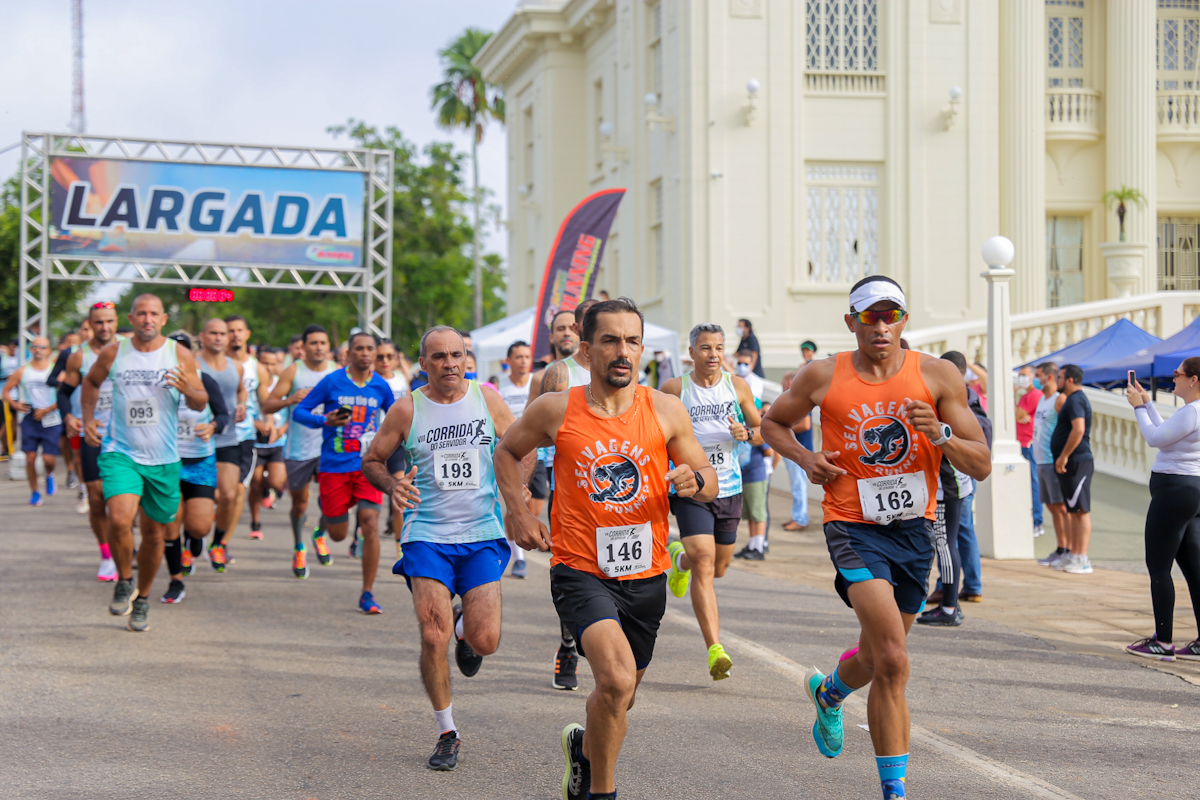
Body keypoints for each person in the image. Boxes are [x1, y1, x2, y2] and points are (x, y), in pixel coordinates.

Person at [761, 276, 990, 800]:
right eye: (870, 316)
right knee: (893, 657)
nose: (881, 326)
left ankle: (830, 692)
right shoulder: (823, 375)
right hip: (852, 525)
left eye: (891, 316)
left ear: (904, 321)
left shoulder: (938, 376)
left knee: (877, 653)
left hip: (916, 529)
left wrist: (942, 434)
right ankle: (895, 793)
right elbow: (774, 425)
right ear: (851, 322)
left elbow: (980, 463)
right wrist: (805, 458)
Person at [494, 298, 718, 800]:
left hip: (646, 573)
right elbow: (506, 451)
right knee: (615, 681)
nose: (623, 351)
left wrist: (693, 477)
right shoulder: (557, 408)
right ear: (587, 347)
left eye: (632, 341)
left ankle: (583, 753)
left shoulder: (665, 409)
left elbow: (710, 479)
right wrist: (517, 510)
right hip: (580, 568)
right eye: (611, 340)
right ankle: (603, 793)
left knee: (620, 696)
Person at [363, 326, 516, 772]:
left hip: (481, 532)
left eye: (457, 355)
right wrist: (391, 483)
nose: (450, 363)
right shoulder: (408, 408)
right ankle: (447, 731)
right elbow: (372, 460)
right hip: (426, 533)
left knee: (485, 641)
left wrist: (518, 495)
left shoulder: (487, 400)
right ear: (423, 363)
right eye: (439, 356)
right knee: (434, 634)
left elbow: (518, 446)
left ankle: (467, 631)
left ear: (467, 359)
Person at [81, 293, 208, 632]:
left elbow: (200, 401)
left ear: (163, 319)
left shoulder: (178, 354)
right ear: (132, 318)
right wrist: (88, 417)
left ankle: (142, 598)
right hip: (120, 451)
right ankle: (124, 579)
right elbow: (91, 381)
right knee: (120, 519)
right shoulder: (115, 351)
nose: (147, 319)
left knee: (154, 534)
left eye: (153, 314)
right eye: (141, 314)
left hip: (164, 458)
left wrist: (188, 390)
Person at [659, 323, 761, 680]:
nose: (713, 354)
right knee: (706, 563)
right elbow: (656, 435)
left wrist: (747, 433)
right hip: (693, 489)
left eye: (719, 348)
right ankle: (714, 649)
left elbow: (763, 429)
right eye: (705, 348)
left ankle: (679, 560)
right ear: (692, 352)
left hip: (730, 490)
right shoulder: (675, 390)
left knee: (717, 567)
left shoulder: (738, 387)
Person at [524, 300, 597, 690]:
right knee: (571, 566)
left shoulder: (623, 370)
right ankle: (568, 644)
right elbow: (530, 434)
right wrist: (523, 482)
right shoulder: (558, 374)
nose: (572, 331)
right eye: (572, 325)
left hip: (612, 489)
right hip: (565, 484)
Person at [293, 331, 394, 613]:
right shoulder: (332, 381)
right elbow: (300, 412)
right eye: (358, 349)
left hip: (368, 465)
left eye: (369, 349)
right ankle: (322, 529)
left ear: (375, 354)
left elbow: (398, 418)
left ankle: (368, 593)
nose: (364, 353)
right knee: (337, 534)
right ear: (348, 353)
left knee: (369, 522)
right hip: (334, 465)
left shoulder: (381, 386)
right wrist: (325, 420)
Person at [1124, 360, 1200, 661]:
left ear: (1193, 379)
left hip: (1174, 492)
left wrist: (1138, 408)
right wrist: (1148, 404)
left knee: (1158, 567)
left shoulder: (1192, 411)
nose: (1173, 378)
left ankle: (1163, 641)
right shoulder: (1192, 412)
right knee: (1194, 570)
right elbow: (1168, 431)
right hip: (1190, 491)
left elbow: (1155, 438)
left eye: (1177, 374)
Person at [160, 331, 232, 604]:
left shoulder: (204, 381)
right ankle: (175, 581)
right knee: (169, 525)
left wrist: (213, 426)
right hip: (167, 461)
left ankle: (195, 540)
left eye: (183, 352)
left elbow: (223, 414)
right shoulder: (157, 382)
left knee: (199, 527)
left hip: (200, 461)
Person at [263, 324, 337, 578]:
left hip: (330, 449)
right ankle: (298, 545)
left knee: (333, 503)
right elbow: (268, 405)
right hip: (299, 450)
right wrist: (289, 400)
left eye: (323, 343)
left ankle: (319, 534)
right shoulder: (292, 372)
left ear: (328, 348)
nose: (318, 347)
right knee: (300, 503)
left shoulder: (337, 373)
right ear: (303, 347)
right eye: (313, 343)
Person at [57, 302, 120, 580]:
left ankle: (125, 544)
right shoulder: (78, 357)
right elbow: (63, 392)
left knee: (125, 501)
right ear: (90, 324)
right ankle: (107, 555)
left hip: (127, 437)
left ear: (117, 322)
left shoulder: (129, 352)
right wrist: (69, 416)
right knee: (96, 497)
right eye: (98, 322)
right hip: (92, 434)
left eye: (109, 321)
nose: (104, 327)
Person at [196, 318, 247, 572]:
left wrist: (242, 404)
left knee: (229, 494)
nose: (218, 338)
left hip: (227, 437)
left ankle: (217, 544)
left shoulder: (236, 366)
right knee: (192, 497)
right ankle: (191, 541)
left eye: (222, 334)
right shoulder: (192, 364)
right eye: (213, 333)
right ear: (202, 337)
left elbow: (241, 391)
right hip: (196, 439)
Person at [3, 336, 63, 505]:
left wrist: (48, 409)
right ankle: (35, 491)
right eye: (35, 346)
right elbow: (6, 391)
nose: (38, 350)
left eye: (42, 347)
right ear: (30, 350)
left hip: (51, 418)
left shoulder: (55, 371)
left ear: (49, 351)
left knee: (48, 459)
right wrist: (15, 405)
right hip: (30, 417)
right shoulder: (23, 371)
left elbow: (66, 395)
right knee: (30, 458)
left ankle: (49, 475)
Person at [1050, 364, 1094, 575]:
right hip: (1071, 462)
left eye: (1059, 377)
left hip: (1077, 461)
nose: (1056, 381)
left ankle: (1082, 557)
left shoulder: (1076, 399)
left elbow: (1079, 429)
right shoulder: (1071, 400)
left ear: (1069, 380)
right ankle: (1074, 554)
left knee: (1081, 509)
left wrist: (1064, 456)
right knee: (1073, 509)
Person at [496, 339, 534, 574]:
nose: (523, 361)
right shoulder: (499, 388)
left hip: (534, 452)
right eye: (518, 357)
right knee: (514, 502)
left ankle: (512, 539)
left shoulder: (537, 383)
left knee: (533, 506)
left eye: (527, 357)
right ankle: (518, 557)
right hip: (509, 452)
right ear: (508, 361)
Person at [373, 337, 410, 557]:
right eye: (380, 356)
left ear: (397, 359)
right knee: (368, 504)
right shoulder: (368, 381)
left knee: (400, 491)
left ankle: (400, 548)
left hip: (396, 444)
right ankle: (362, 533)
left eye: (390, 356)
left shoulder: (401, 380)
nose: (385, 361)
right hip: (371, 443)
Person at [225, 315, 261, 540]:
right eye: (230, 330)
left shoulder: (257, 368)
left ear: (247, 334)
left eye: (239, 330)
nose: (235, 334)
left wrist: (268, 420)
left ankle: (222, 543)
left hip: (245, 437)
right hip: (216, 436)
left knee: (238, 491)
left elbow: (266, 401)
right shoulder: (211, 364)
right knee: (220, 494)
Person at [1032, 363, 1070, 567]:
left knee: (1061, 506)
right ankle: (1060, 547)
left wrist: (1063, 455)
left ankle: (1069, 549)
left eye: (1038, 376)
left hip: (1052, 459)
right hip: (1040, 459)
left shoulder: (1058, 400)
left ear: (1048, 377)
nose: (1034, 380)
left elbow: (1069, 426)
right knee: (1051, 506)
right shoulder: (1042, 400)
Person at [248, 346, 288, 540]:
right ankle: (255, 522)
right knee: (254, 482)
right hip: (255, 442)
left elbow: (293, 412)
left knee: (276, 481)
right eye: (265, 363)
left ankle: (267, 489)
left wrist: (281, 430)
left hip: (277, 442)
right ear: (257, 362)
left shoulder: (283, 385)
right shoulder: (250, 384)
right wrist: (256, 423)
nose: (269, 368)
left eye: (274, 363)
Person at [779, 371, 814, 532]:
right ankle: (797, 517)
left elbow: (805, 425)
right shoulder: (794, 400)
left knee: (798, 485)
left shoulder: (802, 400)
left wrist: (783, 428)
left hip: (800, 450)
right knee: (796, 485)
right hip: (795, 449)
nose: (783, 387)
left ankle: (800, 519)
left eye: (784, 384)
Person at [1015, 365, 1044, 537]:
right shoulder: (1027, 396)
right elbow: (1019, 415)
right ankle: (1035, 520)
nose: (1021, 378)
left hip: (1028, 442)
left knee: (1033, 482)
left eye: (1024, 375)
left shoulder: (1034, 395)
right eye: (1019, 375)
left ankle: (1037, 521)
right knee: (1030, 481)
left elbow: (1018, 414)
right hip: (1023, 441)